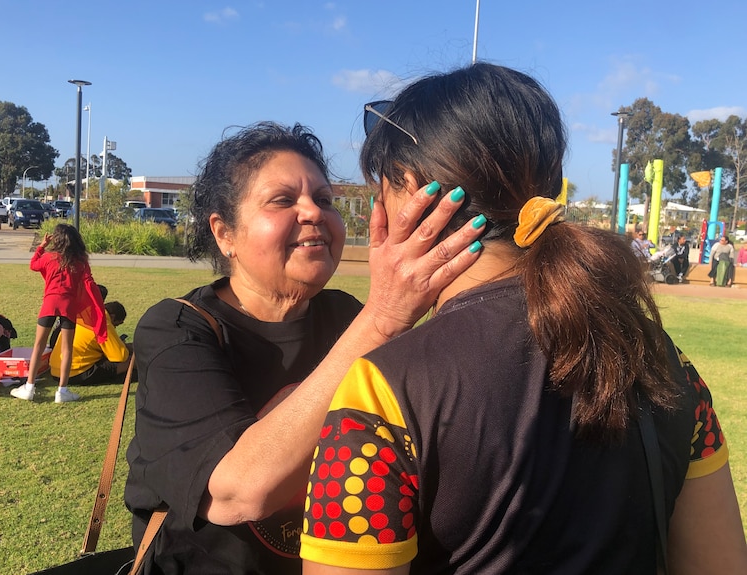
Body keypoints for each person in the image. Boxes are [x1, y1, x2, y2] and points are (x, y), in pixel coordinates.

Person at [299, 63, 747, 574]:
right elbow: (721, 563)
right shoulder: (663, 361)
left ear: (410, 188)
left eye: (384, 186)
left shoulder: (382, 390)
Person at [123, 121, 485, 574]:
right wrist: (383, 318)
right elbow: (238, 492)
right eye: (282, 200)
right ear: (225, 233)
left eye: (324, 200)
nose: (313, 212)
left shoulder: (345, 316)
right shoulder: (177, 329)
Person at [10, 223, 106, 403]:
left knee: (39, 345)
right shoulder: (80, 261)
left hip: (50, 302)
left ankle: (29, 387)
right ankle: (62, 390)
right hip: (69, 305)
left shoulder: (49, 257)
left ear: (57, 239)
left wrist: (41, 246)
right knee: (67, 348)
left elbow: (33, 265)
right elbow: (88, 282)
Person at [49, 300, 132, 385]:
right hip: (75, 373)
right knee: (130, 361)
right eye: (115, 325)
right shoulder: (103, 323)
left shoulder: (83, 315)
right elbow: (120, 356)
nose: (114, 328)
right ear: (112, 317)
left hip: (55, 371)